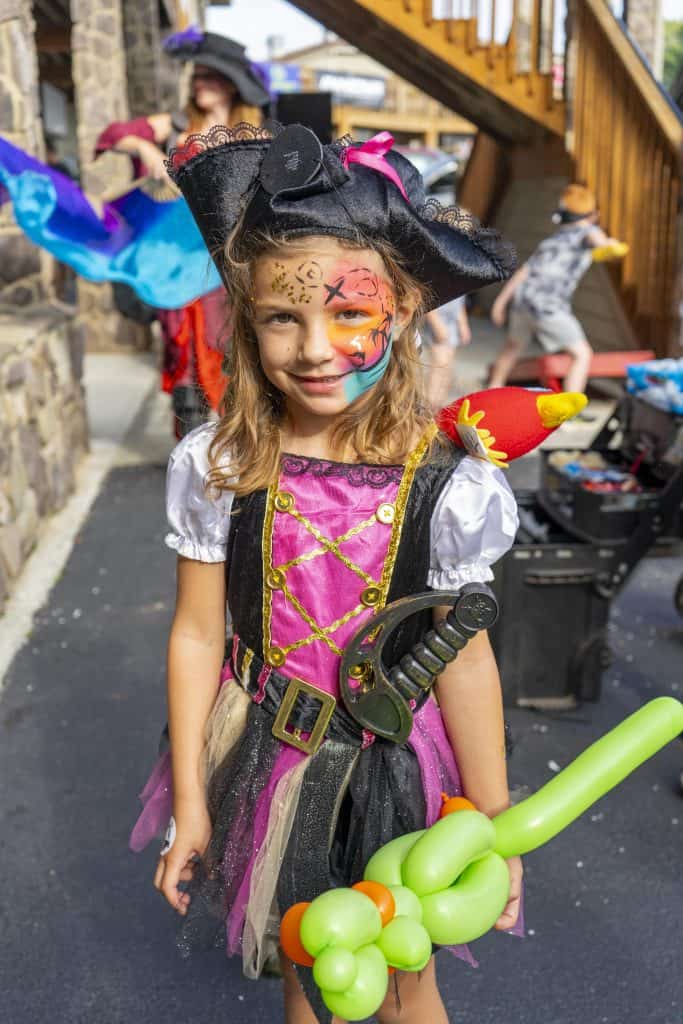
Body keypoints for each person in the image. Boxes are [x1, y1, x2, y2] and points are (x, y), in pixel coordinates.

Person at [129, 122, 522, 1024]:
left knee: (404, 984)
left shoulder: (449, 484)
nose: (313, 348)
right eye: (282, 315)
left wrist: (493, 832)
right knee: (311, 971)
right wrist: (191, 801)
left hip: (399, 766)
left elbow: (463, 658)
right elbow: (196, 634)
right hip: (270, 752)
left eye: (350, 314)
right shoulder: (221, 463)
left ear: (403, 310)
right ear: (245, 315)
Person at [94, 29, 269, 437]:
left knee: (236, 358)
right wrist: (146, 150)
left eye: (210, 76)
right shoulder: (175, 125)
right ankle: (188, 458)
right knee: (186, 361)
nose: (199, 83)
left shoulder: (254, 137)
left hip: (228, 268)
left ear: (231, 85)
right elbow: (114, 134)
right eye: (197, 75)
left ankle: (237, 456)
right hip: (176, 267)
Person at [488, 184, 624, 395]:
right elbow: (596, 239)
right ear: (593, 214)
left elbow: (525, 270)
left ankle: (492, 390)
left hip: (523, 300)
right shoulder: (587, 230)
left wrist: (500, 302)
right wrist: (609, 245)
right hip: (548, 306)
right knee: (582, 354)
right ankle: (571, 406)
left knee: (512, 347)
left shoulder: (554, 238)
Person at [422, 296, 472, 411]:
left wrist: (463, 324)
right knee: (440, 364)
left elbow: (459, 302)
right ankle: (429, 403)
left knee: (448, 366)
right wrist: (436, 324)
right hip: (438, 321)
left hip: (452, 322)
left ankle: (439, 403)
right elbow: (427, 301)